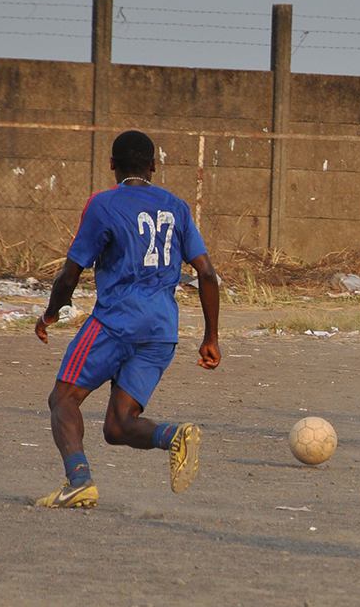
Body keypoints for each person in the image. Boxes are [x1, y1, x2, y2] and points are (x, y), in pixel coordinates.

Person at [33, 130, 221, 508]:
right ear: (153, 166)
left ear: (112, 165)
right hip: (162, 329)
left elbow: (70, 272)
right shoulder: (177, 207)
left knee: (63, 399)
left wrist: (52, 312)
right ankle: (174, 434)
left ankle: (79, 480)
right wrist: (211, 337)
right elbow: (206, 273)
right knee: (119, 425)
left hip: (116, 321)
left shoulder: (103, 205)